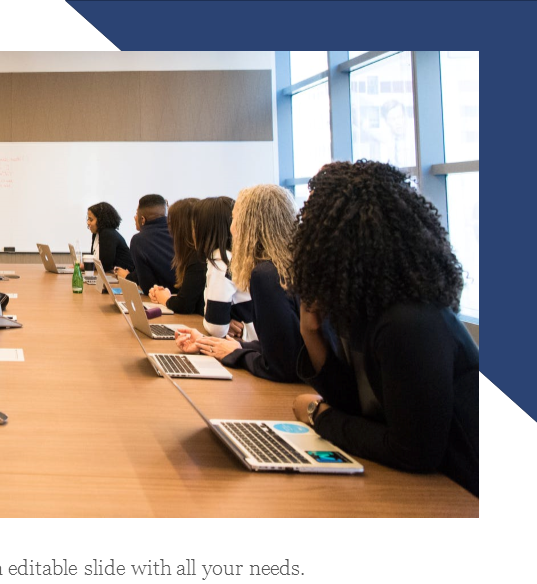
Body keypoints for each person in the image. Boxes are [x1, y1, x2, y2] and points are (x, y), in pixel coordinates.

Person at [288, 160, 478, 495]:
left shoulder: (409, 322)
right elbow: (358, 408)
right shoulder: (368, 309)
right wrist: (311, 332)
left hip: (465, 491)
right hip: (437, 487)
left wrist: (320, 415)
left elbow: (415, 453)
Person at [173, 184, 303, 383]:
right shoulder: (291, 265)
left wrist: (236, 354)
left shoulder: (266, 275)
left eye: (235, 219)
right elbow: (287, 350)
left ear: (251, 225)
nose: (231, 228)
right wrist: (224, 345)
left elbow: (281, 367)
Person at [147, 197, 208, 314]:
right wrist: (165, 295)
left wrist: (164, 298)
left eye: (171, 224)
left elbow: (184, 305)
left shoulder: (198, 259)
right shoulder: (194, 255)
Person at [117, 194, 174, 290]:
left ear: (142, 219)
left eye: (136, 213)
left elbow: (147, 286)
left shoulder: (138, 240)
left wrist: (128, 277)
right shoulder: (178, 233)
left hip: (158, 300)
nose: (134, 217)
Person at [87, 201, 134, 283]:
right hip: (112, 277)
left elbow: (105, 266)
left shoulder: (107, 233)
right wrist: (87, 266)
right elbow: (97, 261)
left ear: (101, 220)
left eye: (91, 219)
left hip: (125, 280)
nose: (88, 223)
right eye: (88, 219)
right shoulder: (96, 234)